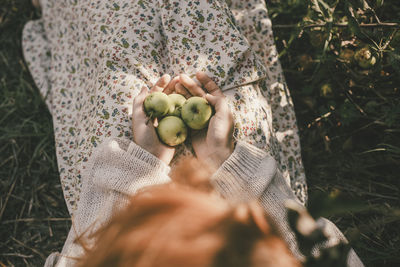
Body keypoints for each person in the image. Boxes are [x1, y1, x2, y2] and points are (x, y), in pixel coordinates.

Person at [22, 0, 308, 219]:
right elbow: (299, 245)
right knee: (202, 28)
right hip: (246, 199)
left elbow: (89, 249)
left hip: (130, 210)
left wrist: (143, 164)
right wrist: (222, 157)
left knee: (118, 57)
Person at [43, 73, 363, 266]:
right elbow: (324, 255)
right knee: (231, 88)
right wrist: (222, 160)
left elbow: (82, 258)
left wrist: (140, 162)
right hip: (254, 200)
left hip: (119, 202)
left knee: (117, 93)